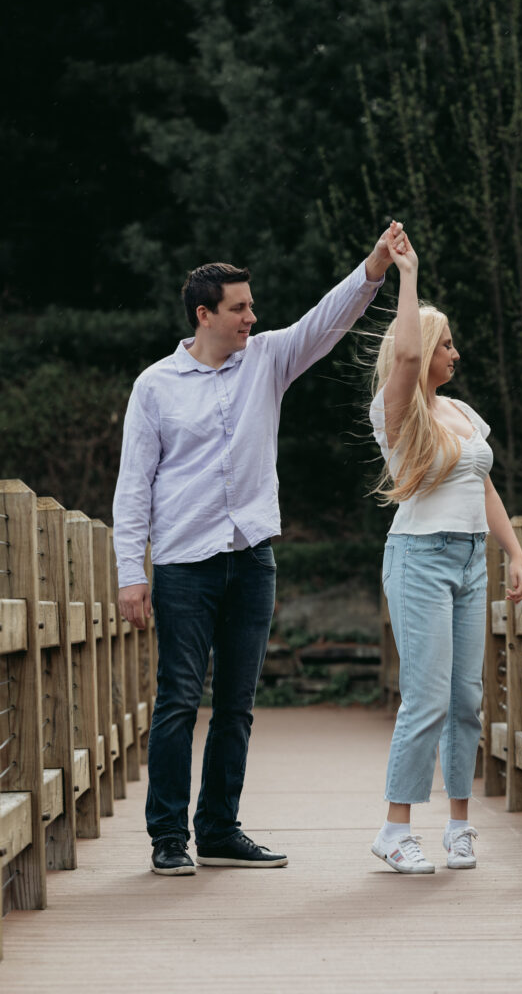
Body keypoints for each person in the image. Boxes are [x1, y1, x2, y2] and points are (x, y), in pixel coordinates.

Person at [113, 221, 405, 876]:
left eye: (251, 306)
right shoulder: (155, 385)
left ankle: (218, 828)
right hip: (184, 561)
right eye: (240, 307)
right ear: (204, 314)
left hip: (251, 557)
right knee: (178, 699)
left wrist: (374, 266)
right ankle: (167, 838)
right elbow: (133, 489)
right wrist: (132, 574)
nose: (253, 316)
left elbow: (325, 322)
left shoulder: (268, 359)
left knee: (239, 704)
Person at [368, 230, 522, 874]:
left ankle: (459, 825)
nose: (455, 354)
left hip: (469, 561)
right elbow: (404, 357)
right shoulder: (398, 410)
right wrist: (407, 276)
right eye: (447, 344)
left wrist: (512, 553)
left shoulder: (462, 411)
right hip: (419, 558)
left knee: (466, 699)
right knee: (426, 698)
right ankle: (394, 827)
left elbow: (482, 483)